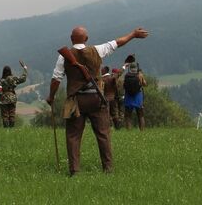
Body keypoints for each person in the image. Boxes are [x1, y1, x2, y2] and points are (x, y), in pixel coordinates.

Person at [47, 25, 150, 176]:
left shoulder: (64, 56)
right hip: (96, 99)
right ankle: (108, 169)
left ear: (71, 39)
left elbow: (56, 79)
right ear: (87, 39)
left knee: (73, 136)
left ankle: (75, 171)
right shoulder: (97, 50)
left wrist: (51, 96)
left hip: (76, 101)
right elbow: (117, 42)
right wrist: (133, 34)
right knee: (103, 134)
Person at [0, 61, 28, 128]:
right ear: (10, 71)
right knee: (12, 114)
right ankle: (11, 129)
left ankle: (6, 130)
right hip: (12, 98)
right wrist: (25, 68)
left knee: (5, 115)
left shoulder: (1, 80)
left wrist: (1, 95)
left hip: (4, 99)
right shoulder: (14, 79)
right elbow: (23, 78)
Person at [122, 55, 147, 130]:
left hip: (128, 97)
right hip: (138, 97)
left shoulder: (126, 75)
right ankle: (142, 131)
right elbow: (145, 84)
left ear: (130, 68)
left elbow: (124, 85)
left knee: (128, 116)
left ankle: (129, 130)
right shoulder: (139, 75)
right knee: (140, 115)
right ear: (136, 68)